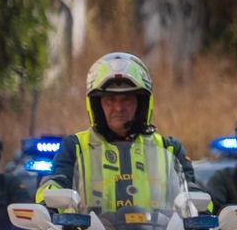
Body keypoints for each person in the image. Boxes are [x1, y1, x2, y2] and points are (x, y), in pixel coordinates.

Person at [37, 52, 196, 207]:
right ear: (97, 105)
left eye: (127, 99)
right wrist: (48, 205)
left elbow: (193, 193)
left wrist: (201, 211)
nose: (118, 107)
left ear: (141, 104)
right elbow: (55, 182)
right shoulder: (76, 147)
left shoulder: (169, 148)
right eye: (110, 100)